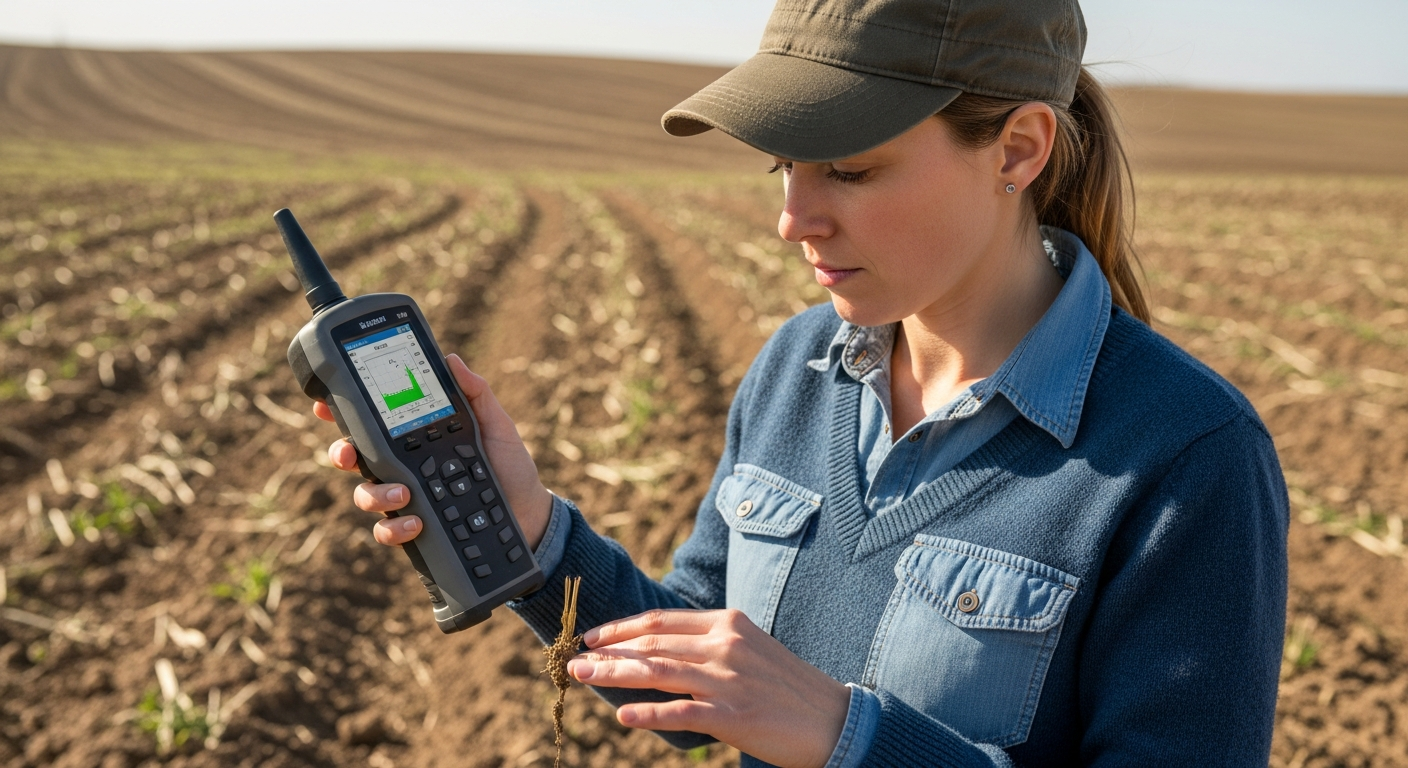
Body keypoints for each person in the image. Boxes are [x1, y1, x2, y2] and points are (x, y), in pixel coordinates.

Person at [314, 0, 1289, 765]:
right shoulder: (796, 366)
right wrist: (527, 526)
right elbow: (704, 687)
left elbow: (791, 712)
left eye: (850, 170)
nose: (793, 219)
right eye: (783, 165)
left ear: (1018, 149)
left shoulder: (1185, 458)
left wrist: (844, 736)